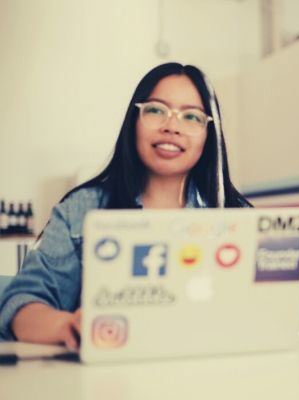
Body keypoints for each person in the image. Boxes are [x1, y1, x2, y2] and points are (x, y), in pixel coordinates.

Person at [0, 63, 250, 346]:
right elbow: (20, 303)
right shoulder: (82, 209)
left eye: (191, 116)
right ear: (134, 121)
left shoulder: (237, 215)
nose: (172, 126)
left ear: (209, 134)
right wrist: (66, 326)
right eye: (156, 110)